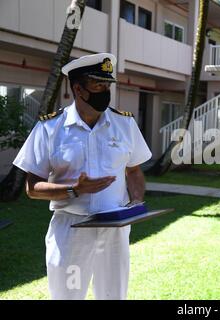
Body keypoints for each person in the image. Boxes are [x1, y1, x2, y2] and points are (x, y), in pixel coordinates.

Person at [13, 53, 152, 300]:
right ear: (78, 88)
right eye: (98, 84)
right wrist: (74, 190)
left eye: (107, 85)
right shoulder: (49, 128)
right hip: (72, 229)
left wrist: (137, 200)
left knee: (113, 296)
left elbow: (133, 170)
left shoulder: (124, 124)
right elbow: (32, 188)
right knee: (68, 296)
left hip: (114, 231)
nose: (105, 91)